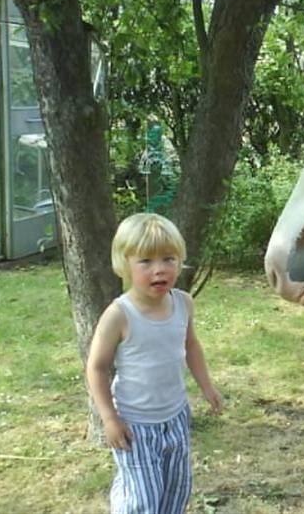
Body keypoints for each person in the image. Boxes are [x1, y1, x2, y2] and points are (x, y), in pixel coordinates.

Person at [86, 212, 222, 513]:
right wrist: (109, 418)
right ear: (125, 264)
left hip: (175, 418)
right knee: (142, 501)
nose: (159, 269)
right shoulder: (119, 315)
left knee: (176, 491)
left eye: (168, 259)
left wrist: (207, 387)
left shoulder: (183, 303)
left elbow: (191, 345)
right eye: (145, 261)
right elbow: (96, 367)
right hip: (135, 425)